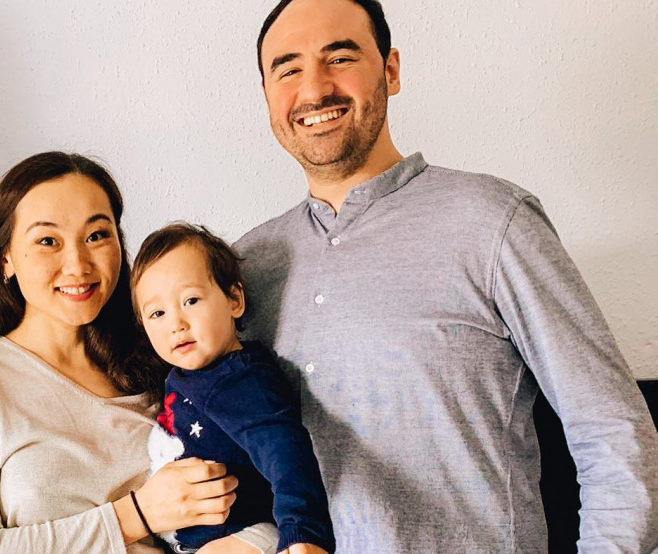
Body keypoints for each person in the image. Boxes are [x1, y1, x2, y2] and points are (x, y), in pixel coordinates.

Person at [235, 0, 658, 552]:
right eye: (288, 69)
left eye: (340, 58)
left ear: (390, 71)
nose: (314, 89)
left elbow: (613, 432)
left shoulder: (493, 221)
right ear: (267, 95)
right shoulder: (241, 269)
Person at [0, 152, 239, 553]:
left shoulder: (166, 360)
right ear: (6, 259)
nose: (77, 264)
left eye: (96, 236)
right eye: (47, 241)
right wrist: (136, 515)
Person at [131, 223, 334, 554]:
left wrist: (303, 532)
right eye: (157, 313)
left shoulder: (240, 380)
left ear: (234, 300)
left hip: (247, 533)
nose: (176, 323)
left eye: (191, 300)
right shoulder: (186, 374)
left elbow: (287, 451)